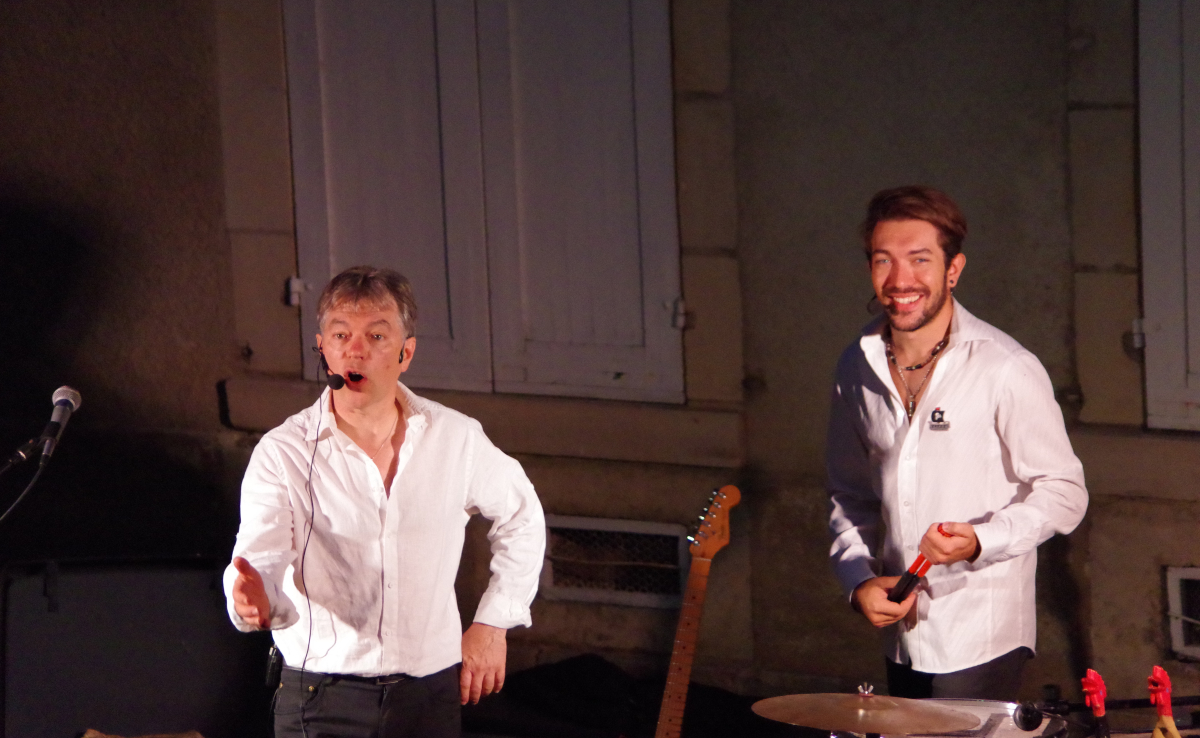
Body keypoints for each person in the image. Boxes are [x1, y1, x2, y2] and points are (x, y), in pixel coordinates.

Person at [223, 265, 545, 738]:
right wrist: (254, 598)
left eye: (375, 336)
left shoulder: (455, 438)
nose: (355, 350)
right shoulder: (284, 451)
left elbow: (521, 515)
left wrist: (494, 623)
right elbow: (261, 557)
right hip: (321, 694)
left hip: (427, 694)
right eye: (341, 335)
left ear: (405, 352)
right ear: (322, 348)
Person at [826, 186, 1088, 700]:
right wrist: (857, 580)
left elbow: (1064, 492)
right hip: (901, 635)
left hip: (980, 635)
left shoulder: (1005, 367)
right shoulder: (856, 365)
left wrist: (980, 541)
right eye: (884, 260)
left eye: (919, 259)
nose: (900, 280)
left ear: (953, 269)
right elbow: (849, 494)